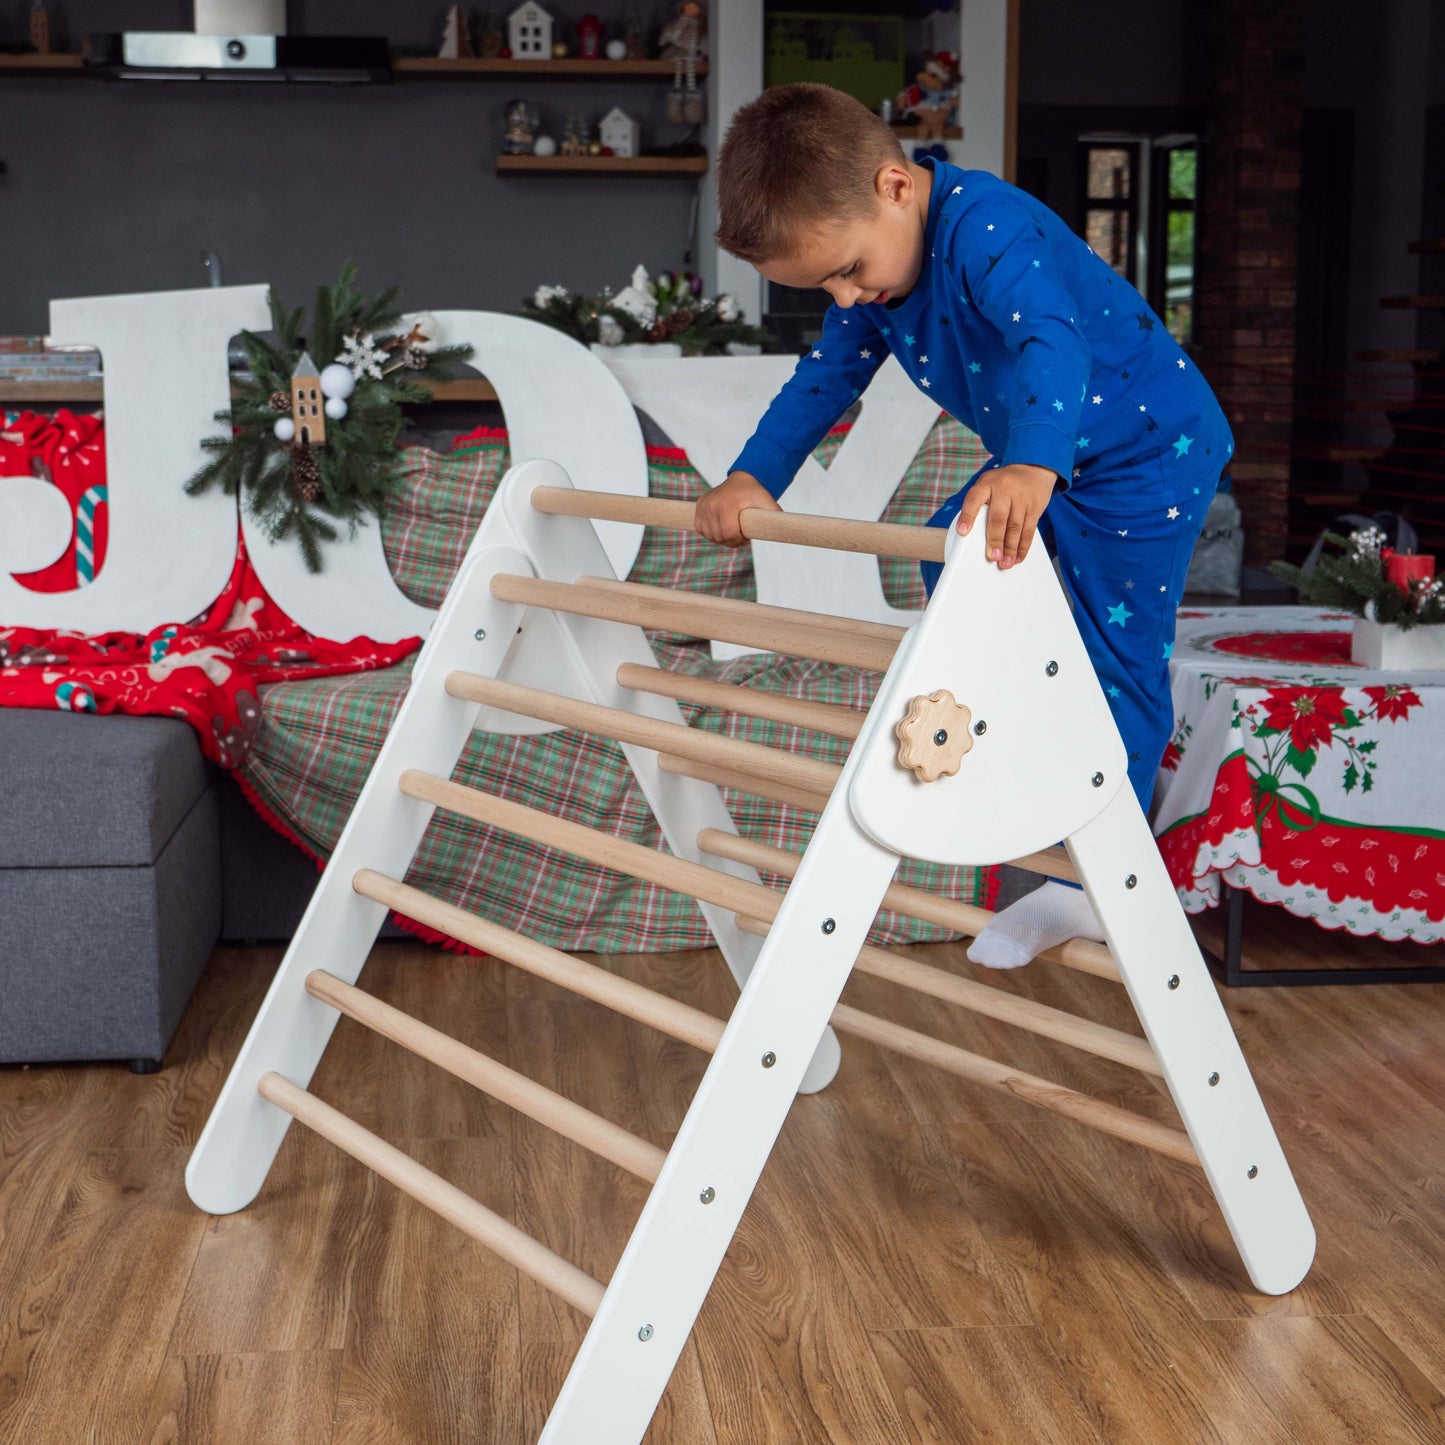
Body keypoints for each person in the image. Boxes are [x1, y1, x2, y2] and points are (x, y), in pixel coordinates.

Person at [697, 82, 1232, 969]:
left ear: (894, 188)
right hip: (1054, 450)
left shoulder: (987, 227)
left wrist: (1029, 464)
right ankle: (1024, 724)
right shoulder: (873, 281)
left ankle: (1098, 883)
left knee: (1119, 652)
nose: (845, 298)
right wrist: (755, 474)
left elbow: (1050, 339)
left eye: (847, 270)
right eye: (824, 284)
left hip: (1147, 452)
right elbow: (825, 376)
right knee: (954, 554)